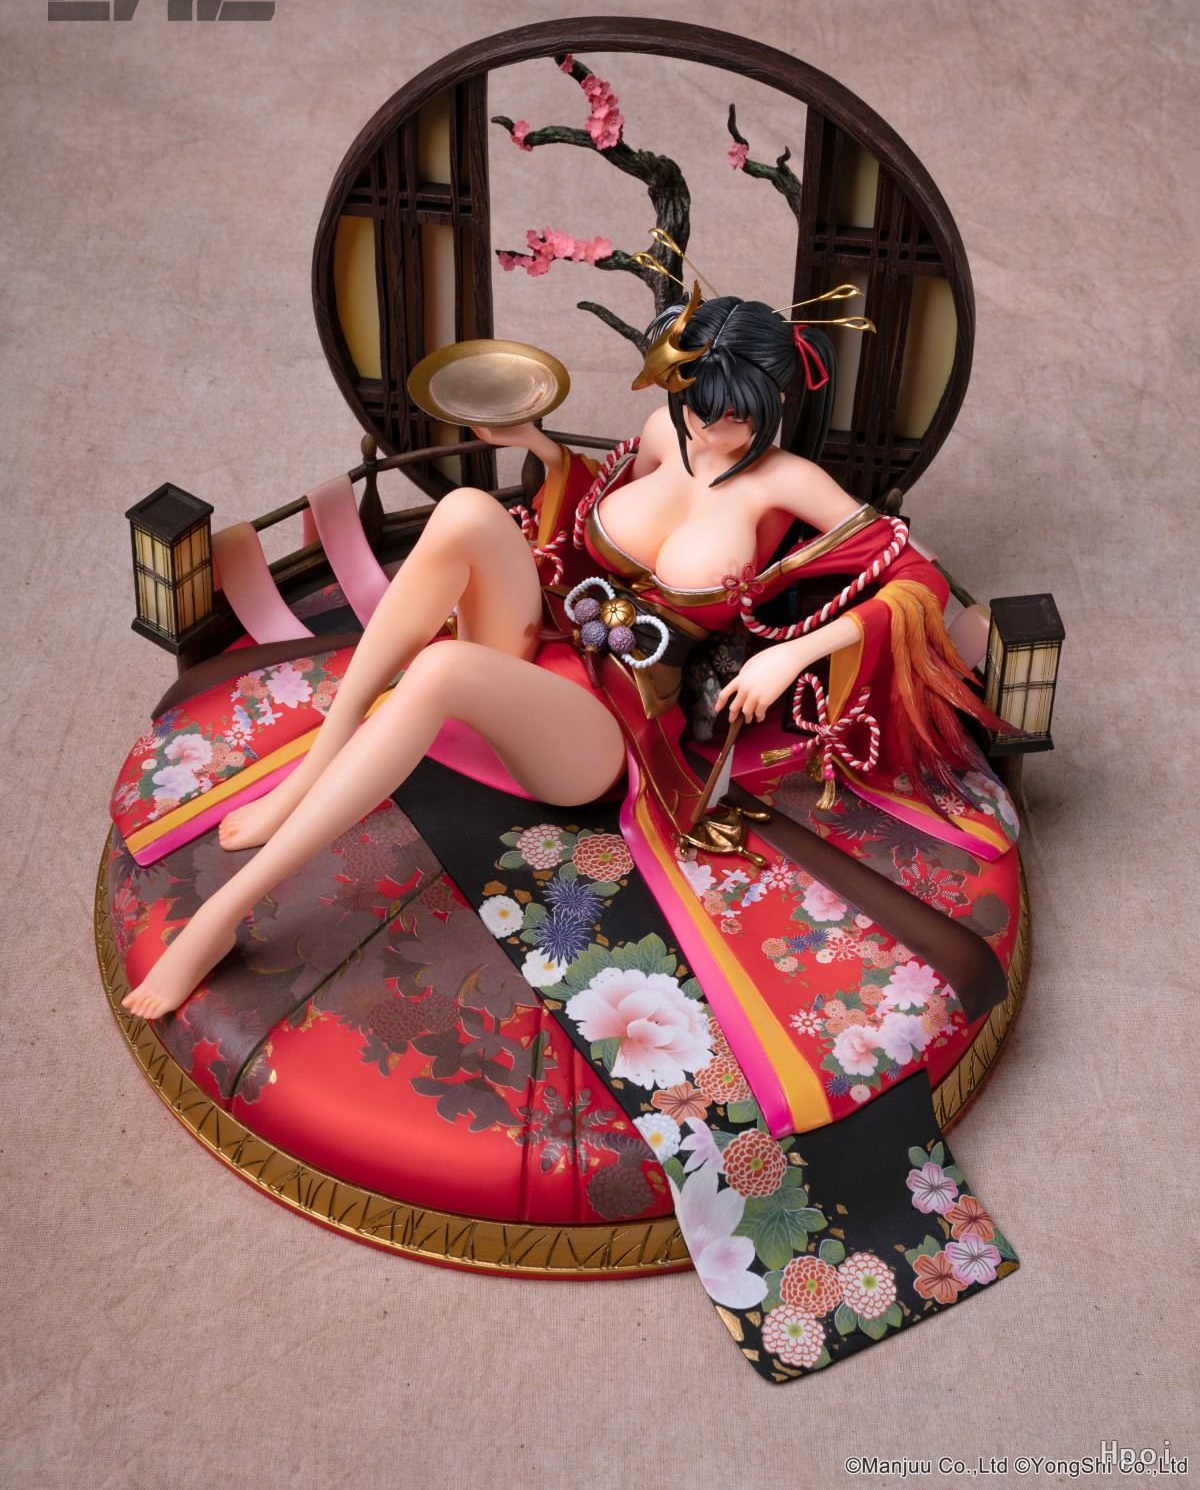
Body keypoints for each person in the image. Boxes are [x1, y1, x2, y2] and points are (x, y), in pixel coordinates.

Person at [121, 290, 1021, 1379]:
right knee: (467, 512)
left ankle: (226, 910)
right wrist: (538, 450)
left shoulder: (787, 485)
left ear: (773, 406)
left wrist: (794, 651)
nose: (711, 433)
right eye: (698, 407)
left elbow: (915, 576)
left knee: (443, 671)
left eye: (736, 415)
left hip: (609, 728)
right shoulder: (660, 433)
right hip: (551, 635)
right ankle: (318, 762)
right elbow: (580, 516)